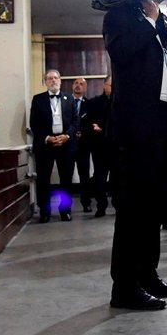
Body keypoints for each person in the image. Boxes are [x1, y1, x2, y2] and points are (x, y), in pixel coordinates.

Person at [103, 0, 167, 310]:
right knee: (133, 207)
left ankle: (148, 274)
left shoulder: (166, 23)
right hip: (136, 126)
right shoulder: (120, 18)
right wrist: (147, 19)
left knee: (156, 205)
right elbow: (122, 52)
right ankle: (125, 287)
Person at [29, 69, 77, 222]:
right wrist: (47, 137)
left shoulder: (69, 99)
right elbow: (34, 123)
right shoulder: (37, 100)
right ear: (45, 82)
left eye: (56, 78)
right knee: (43, 179)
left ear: (60, 80)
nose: (53, 81)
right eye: (49, 78)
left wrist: (67, 135)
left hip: (65, 144)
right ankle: (45, 211)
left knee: (66, 180)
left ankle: (65, 211)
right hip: (45, 145)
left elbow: (76, 121)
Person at [81, 75, 112, 218]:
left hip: (117, 147)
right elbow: (86, 122)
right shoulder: (94, 103)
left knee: (118, 179)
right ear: (104, 85)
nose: (112, 88)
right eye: (110, 85)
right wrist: (93, 127)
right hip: (99, 147)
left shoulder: (123, 102)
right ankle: (101, 206)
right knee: (100, 178)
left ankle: (119, 205)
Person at [69, 77, 94, 212]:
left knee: (84, 175)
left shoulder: (89, 104)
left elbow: (91, 123)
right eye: (76, 83)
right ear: (72, 86)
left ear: (85, 88)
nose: (78, 86)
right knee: (66, 175)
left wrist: (82, 133)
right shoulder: (65, 102)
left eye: (81, 84)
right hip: (68, 144)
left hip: (83, 145)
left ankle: (86, 202)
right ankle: (66, 205)